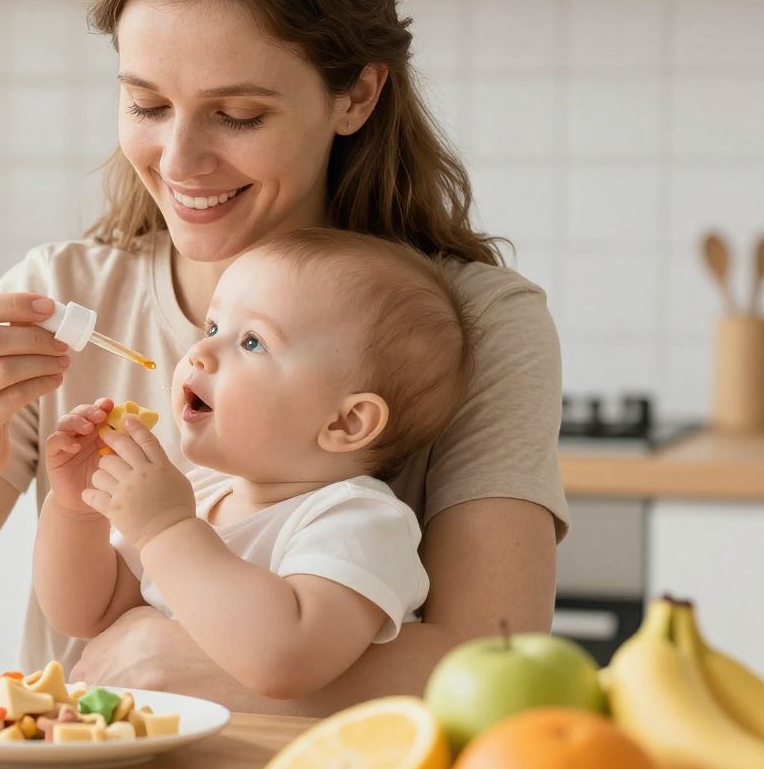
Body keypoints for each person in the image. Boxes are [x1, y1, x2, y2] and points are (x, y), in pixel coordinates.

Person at [0, 0, 567, 715]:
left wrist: (160, 653)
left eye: (238, 115)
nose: (178, 163)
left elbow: (505, 682)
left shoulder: (473, 326)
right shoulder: (63, 294)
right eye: (146, 105)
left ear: (356, 94)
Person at [34, 229, 473, 700]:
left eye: (251, 343)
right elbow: (87, 613)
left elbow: (285, 660)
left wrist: (165, 528)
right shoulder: (200, 494)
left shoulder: (361, 522)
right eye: (212, 329)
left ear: (346, 422)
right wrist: (76, 511)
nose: (199, 353)